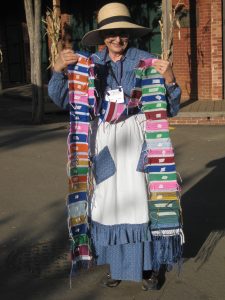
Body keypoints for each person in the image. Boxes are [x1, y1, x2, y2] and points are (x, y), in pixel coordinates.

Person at [48, 2, 182, 291]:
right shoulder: (90, 64)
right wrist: (59, 71)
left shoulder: (145, 60)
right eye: (111, 34)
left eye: (122, 33)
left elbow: (170, 108)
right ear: (102, 37)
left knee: (141, 206)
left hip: (136, 139)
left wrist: (169, 80)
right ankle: (119, 265)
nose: (117, 39)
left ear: (129, 35)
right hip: (104, 140)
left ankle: (148, 268)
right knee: (108, 205)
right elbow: (63, 100)